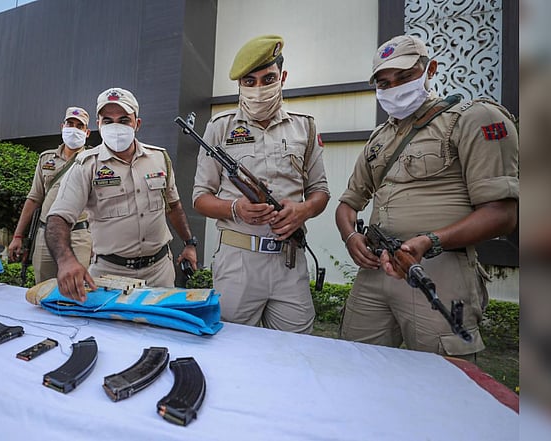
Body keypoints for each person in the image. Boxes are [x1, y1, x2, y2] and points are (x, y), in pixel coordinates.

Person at [335, 35, 519, 358]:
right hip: (376, 270)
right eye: (384, 83)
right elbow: (348, 204)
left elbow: (502, 214)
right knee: (353, 367)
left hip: (438, 271)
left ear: (430, 69)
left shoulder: (473, 120)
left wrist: (430, 241)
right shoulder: (379, 139)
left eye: (404, 77)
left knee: (446, 386)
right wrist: (351, 237)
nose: (394, 88)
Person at [192, 35, 330, 334]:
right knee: (234, 352)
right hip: (237, 262)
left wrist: (303, 210)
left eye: (268, 79)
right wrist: (235, 209)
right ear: (240, 85)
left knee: (297, 354)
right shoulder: (220, 127)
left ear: (283, 78)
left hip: (289, 261)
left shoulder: (304, 126)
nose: (258, 89)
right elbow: (200, 198)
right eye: (249, 81)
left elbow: (321, 191)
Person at [46, 87, 198, 301]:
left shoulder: (159, 158)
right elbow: (58, 218)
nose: (115, 126)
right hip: (109, 275)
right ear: (98, 124)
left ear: (137, 124)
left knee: (161, 332)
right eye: (107, 120)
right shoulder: (86, 165)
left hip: (160, 273)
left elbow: (173, 207)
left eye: (124, 120)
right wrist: (66, 260)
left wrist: (189, 244)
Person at [8, 107, 93, 283]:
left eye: (79, 126)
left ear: (87, 132)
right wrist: (17, 236)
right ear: (62, 126)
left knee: (76, 288)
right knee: (43, 288)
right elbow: (34, 198)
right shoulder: (46, 159)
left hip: (78, 234)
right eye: (70, 124)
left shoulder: (93, 160)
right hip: (45, 233)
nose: (74, 129)